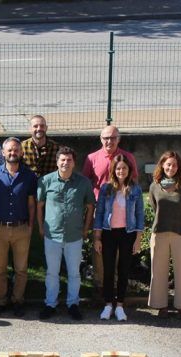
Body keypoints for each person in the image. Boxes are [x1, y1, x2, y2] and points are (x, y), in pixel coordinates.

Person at [37, 146, 95, 321]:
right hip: (52, 235)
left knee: (74, 273)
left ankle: (73, 304)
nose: (65, 163)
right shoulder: (46, 181)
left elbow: (90, 206)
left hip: (74, 236)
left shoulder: (83, 183)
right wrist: (40, 227)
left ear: (74, 162)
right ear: (57, 162)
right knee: (52, 272)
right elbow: (39, 206)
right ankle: (50, 304)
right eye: (62, 159)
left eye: (69, 160)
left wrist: (86, 228)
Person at [0, 137, 37, 317]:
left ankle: (17, 300)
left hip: (21, 229)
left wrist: (30, 226)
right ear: (3, 153)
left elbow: (31, 203)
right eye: (9, 150)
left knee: (21, 269)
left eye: (16, 150)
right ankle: (0, 301)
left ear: (21, 152)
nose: (13, 153)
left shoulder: (29, 176)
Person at [82, 125, 138, 289]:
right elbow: (85, 183)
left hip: (121, 212)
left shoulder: (127, 157)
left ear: (119, 139)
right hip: (99, 213)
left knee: (120, 251)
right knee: (99, 249)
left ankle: (116, 285)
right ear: (101, 139)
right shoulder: (92, 158)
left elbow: (134, 184)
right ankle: (100, 286)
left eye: (113, 138)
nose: (109, 141)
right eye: (106, 138)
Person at [93, 154, 144, 322]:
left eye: (124, 168)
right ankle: (108, 305)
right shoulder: (106, 189)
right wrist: (97, 237)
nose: (121, 171)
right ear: (113, 170)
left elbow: (139, 215)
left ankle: (120, 306)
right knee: (108, 270)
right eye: (118, 168)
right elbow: (99, 213)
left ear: (129, 170)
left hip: (127, 234)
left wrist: (138, 239)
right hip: (108, 233)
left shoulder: (135, 189)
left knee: (123, 270)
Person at [148, 150, 181, 318]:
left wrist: (177, 220)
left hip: (180, 233)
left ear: (179, 167)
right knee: (158, 271)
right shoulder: (155, 186)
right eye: (168, 164)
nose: (171, 167)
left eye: (174, 165)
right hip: (159, 233)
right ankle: (160, 306)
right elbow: (155, 208)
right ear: (162, 165)